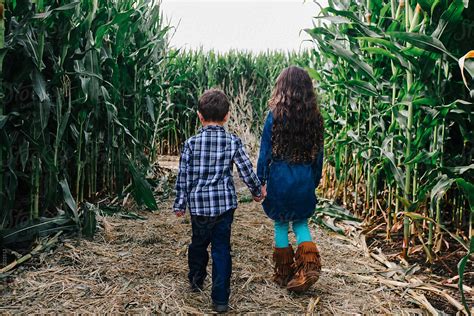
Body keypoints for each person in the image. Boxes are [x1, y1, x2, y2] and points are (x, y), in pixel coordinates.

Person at [173, 88, 265, 313]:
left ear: (200, 116)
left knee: (198, 244)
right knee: (222, 249)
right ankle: (220, 299)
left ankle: (196, 281)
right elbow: (245, 170)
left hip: (199, 207)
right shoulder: (232, 141)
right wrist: (256, 190)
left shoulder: (191, 144)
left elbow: (183, 176)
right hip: (224, 207)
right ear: (227, 116)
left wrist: (180, 204)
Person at [257, 66, 324, 293]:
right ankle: (309, 266)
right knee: (301, 223)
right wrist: (314, 181)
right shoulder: (315, 118)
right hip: (303, 179)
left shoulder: (274, 116)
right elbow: (318, 156)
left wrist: (261, 180)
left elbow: (264, 152)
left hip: (280, 181)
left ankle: (284, 274)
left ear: (281, 88)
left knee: (281, 224)